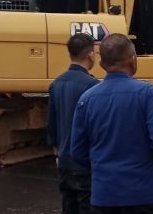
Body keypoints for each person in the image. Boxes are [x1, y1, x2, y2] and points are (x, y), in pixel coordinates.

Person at [70, 34, 153, 213]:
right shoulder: (146, 93)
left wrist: (101, 170)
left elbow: (77, 151)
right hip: (146, 194)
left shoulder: (86, 100)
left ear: (102, 64)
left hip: (104, 196)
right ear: (133, 60)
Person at [47, 33, 99, 214]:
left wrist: (57, 150)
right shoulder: (92, 86)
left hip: (64, 161)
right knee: (87, 207)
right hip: (85, 162)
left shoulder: (56, 84)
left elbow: (52, 123)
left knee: (68, 206)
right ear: (91, 55)